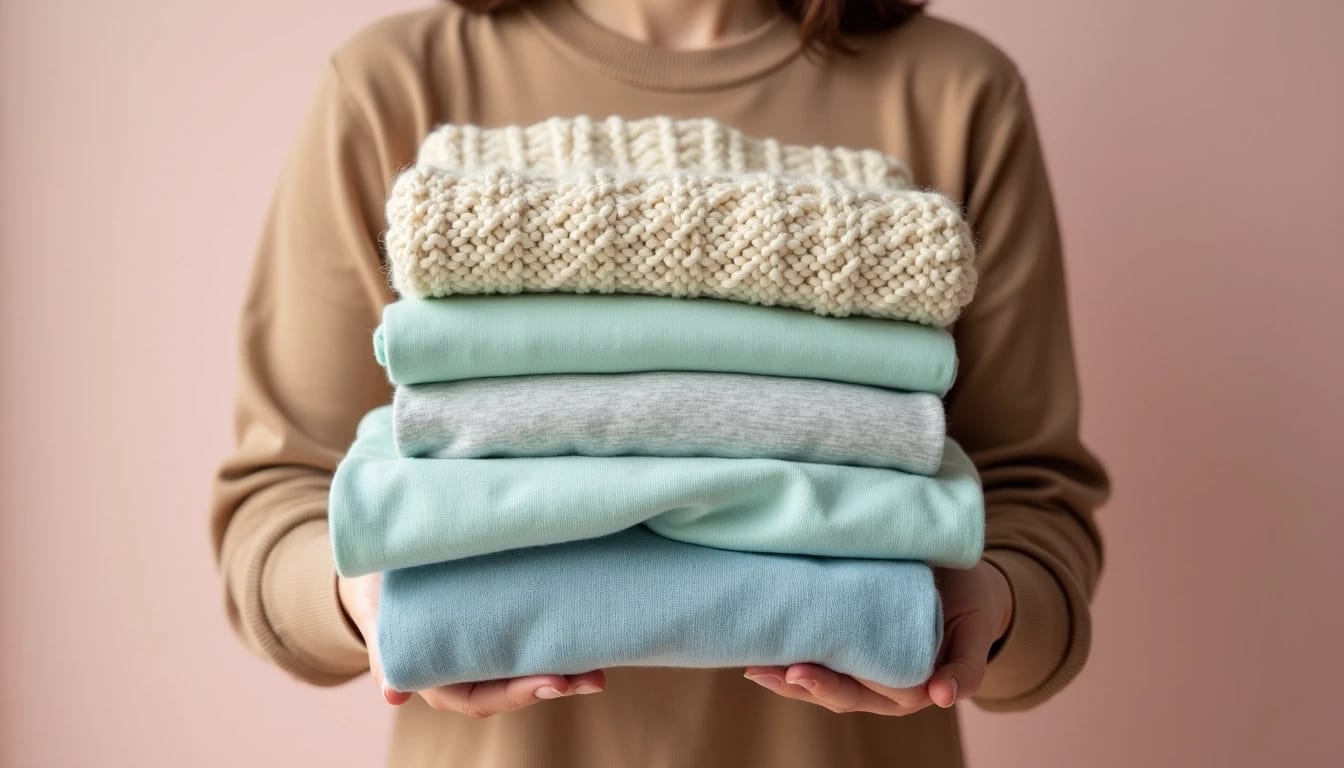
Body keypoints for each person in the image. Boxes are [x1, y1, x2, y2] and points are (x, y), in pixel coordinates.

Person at [209, 0, 1111, 764]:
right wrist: (366, 601)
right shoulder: (395, 82)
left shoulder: (955, 92)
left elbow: (1030, 500)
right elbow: (279, 497)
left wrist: (991, 610)